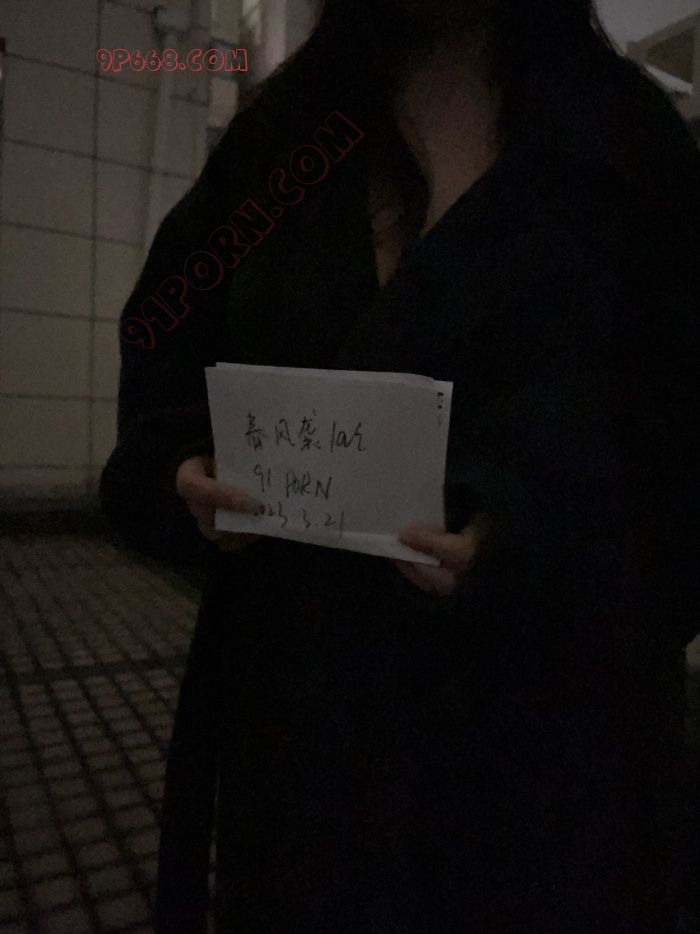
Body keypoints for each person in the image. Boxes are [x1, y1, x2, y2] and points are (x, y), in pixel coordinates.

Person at [100, 0, 700, 930]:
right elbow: (167, 325)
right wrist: (182, 457)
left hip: (551, 761)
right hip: (303, 751)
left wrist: (536, 529)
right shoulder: (289, 136)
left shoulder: (623, 142)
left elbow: (682, 423)